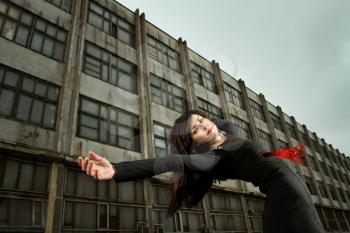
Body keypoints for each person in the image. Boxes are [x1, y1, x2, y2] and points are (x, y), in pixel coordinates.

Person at [77, 110, 325, 233]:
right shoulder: (210, 158)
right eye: (194, 129)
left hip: (291, 188)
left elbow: (220, 125)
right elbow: (166, 162)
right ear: (195, 140)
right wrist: (117, 170)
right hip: (285, 192)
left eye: (200, 120)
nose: (202, 125)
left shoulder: (227, 129)